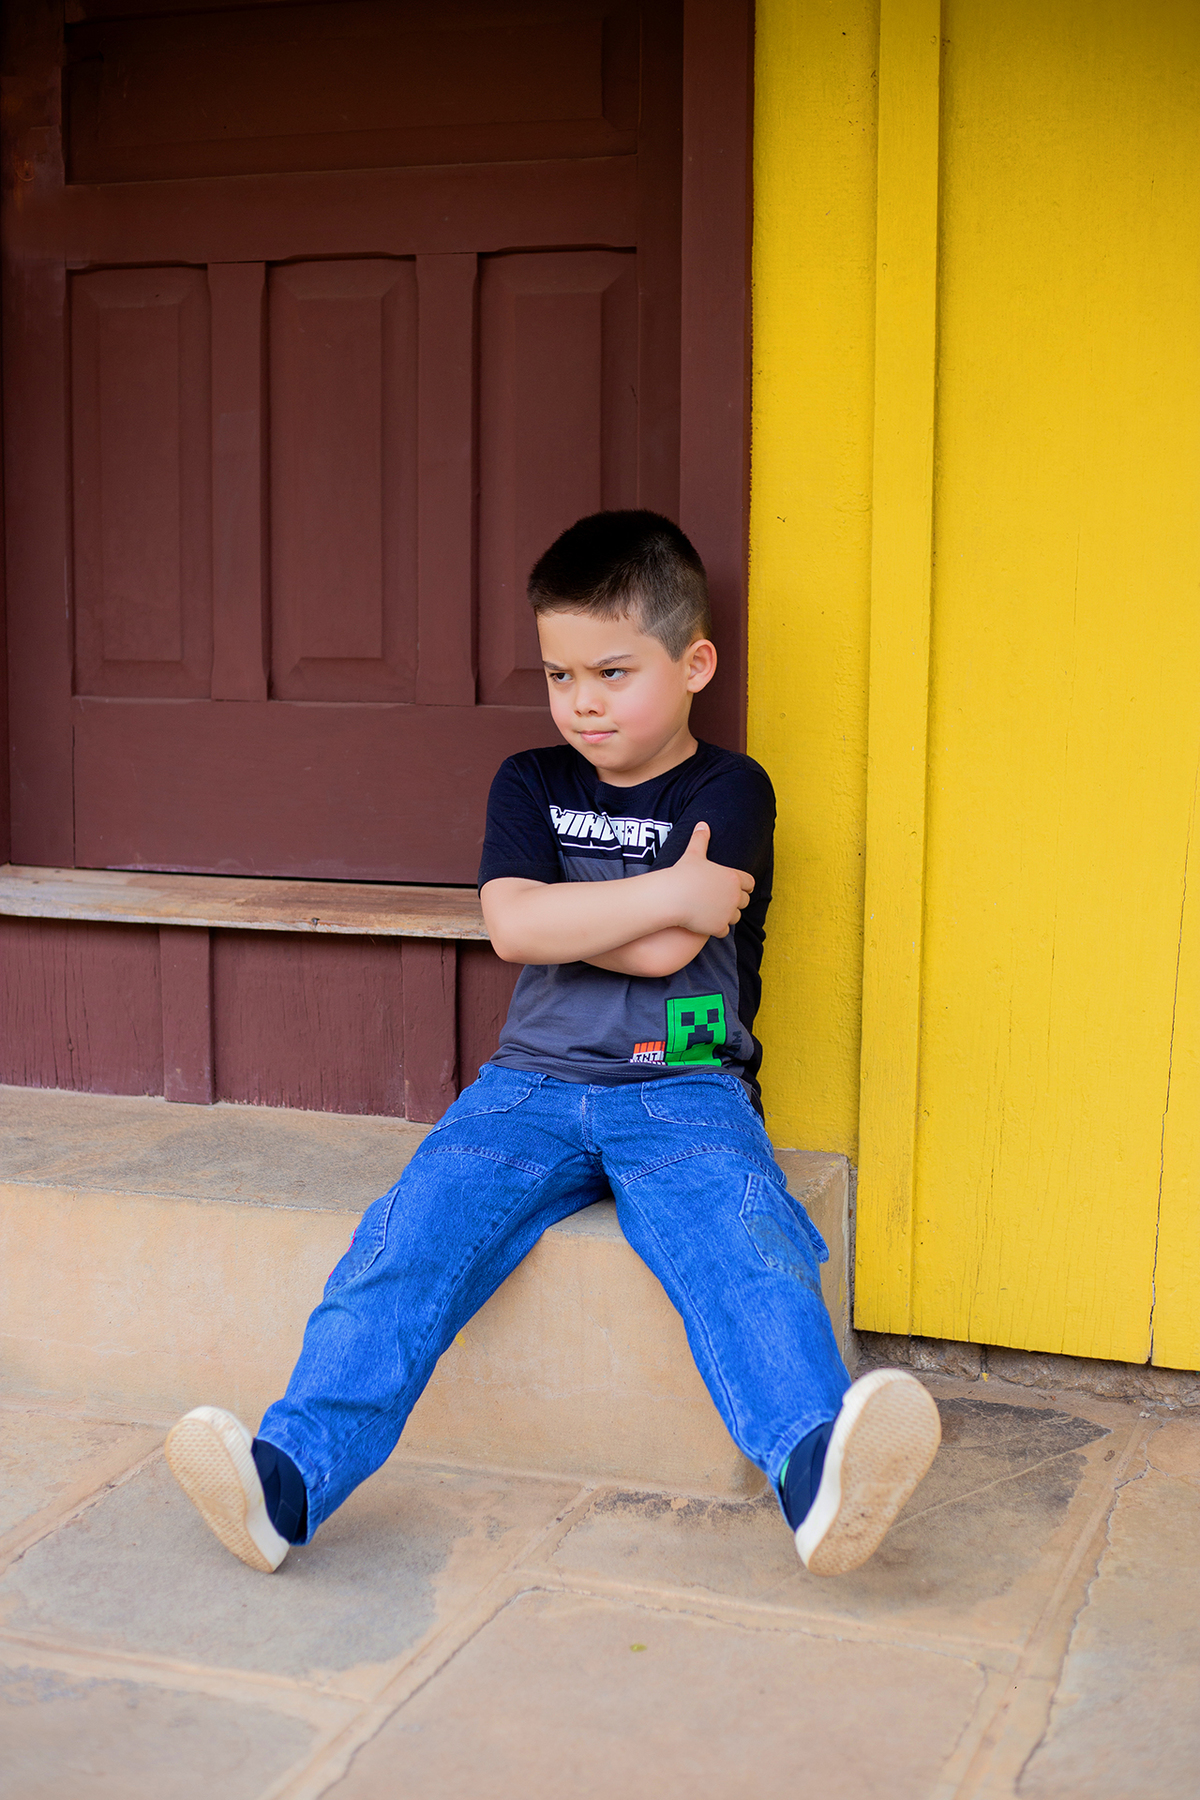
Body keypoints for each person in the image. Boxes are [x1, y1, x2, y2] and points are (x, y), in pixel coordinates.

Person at [165, 509, 940, 1579]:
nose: (583, 702)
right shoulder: (531, 781)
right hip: (525, 1087)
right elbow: (514, 928)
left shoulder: (731, 788)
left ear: (694, 663)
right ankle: (288, 1481)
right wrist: (667, 889)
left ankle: (817, 1475)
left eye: (613, 673)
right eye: (560, 675)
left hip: (689, 1081)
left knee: (746, 1245)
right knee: (405, 1243)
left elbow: (668, 958)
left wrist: (578, 910)